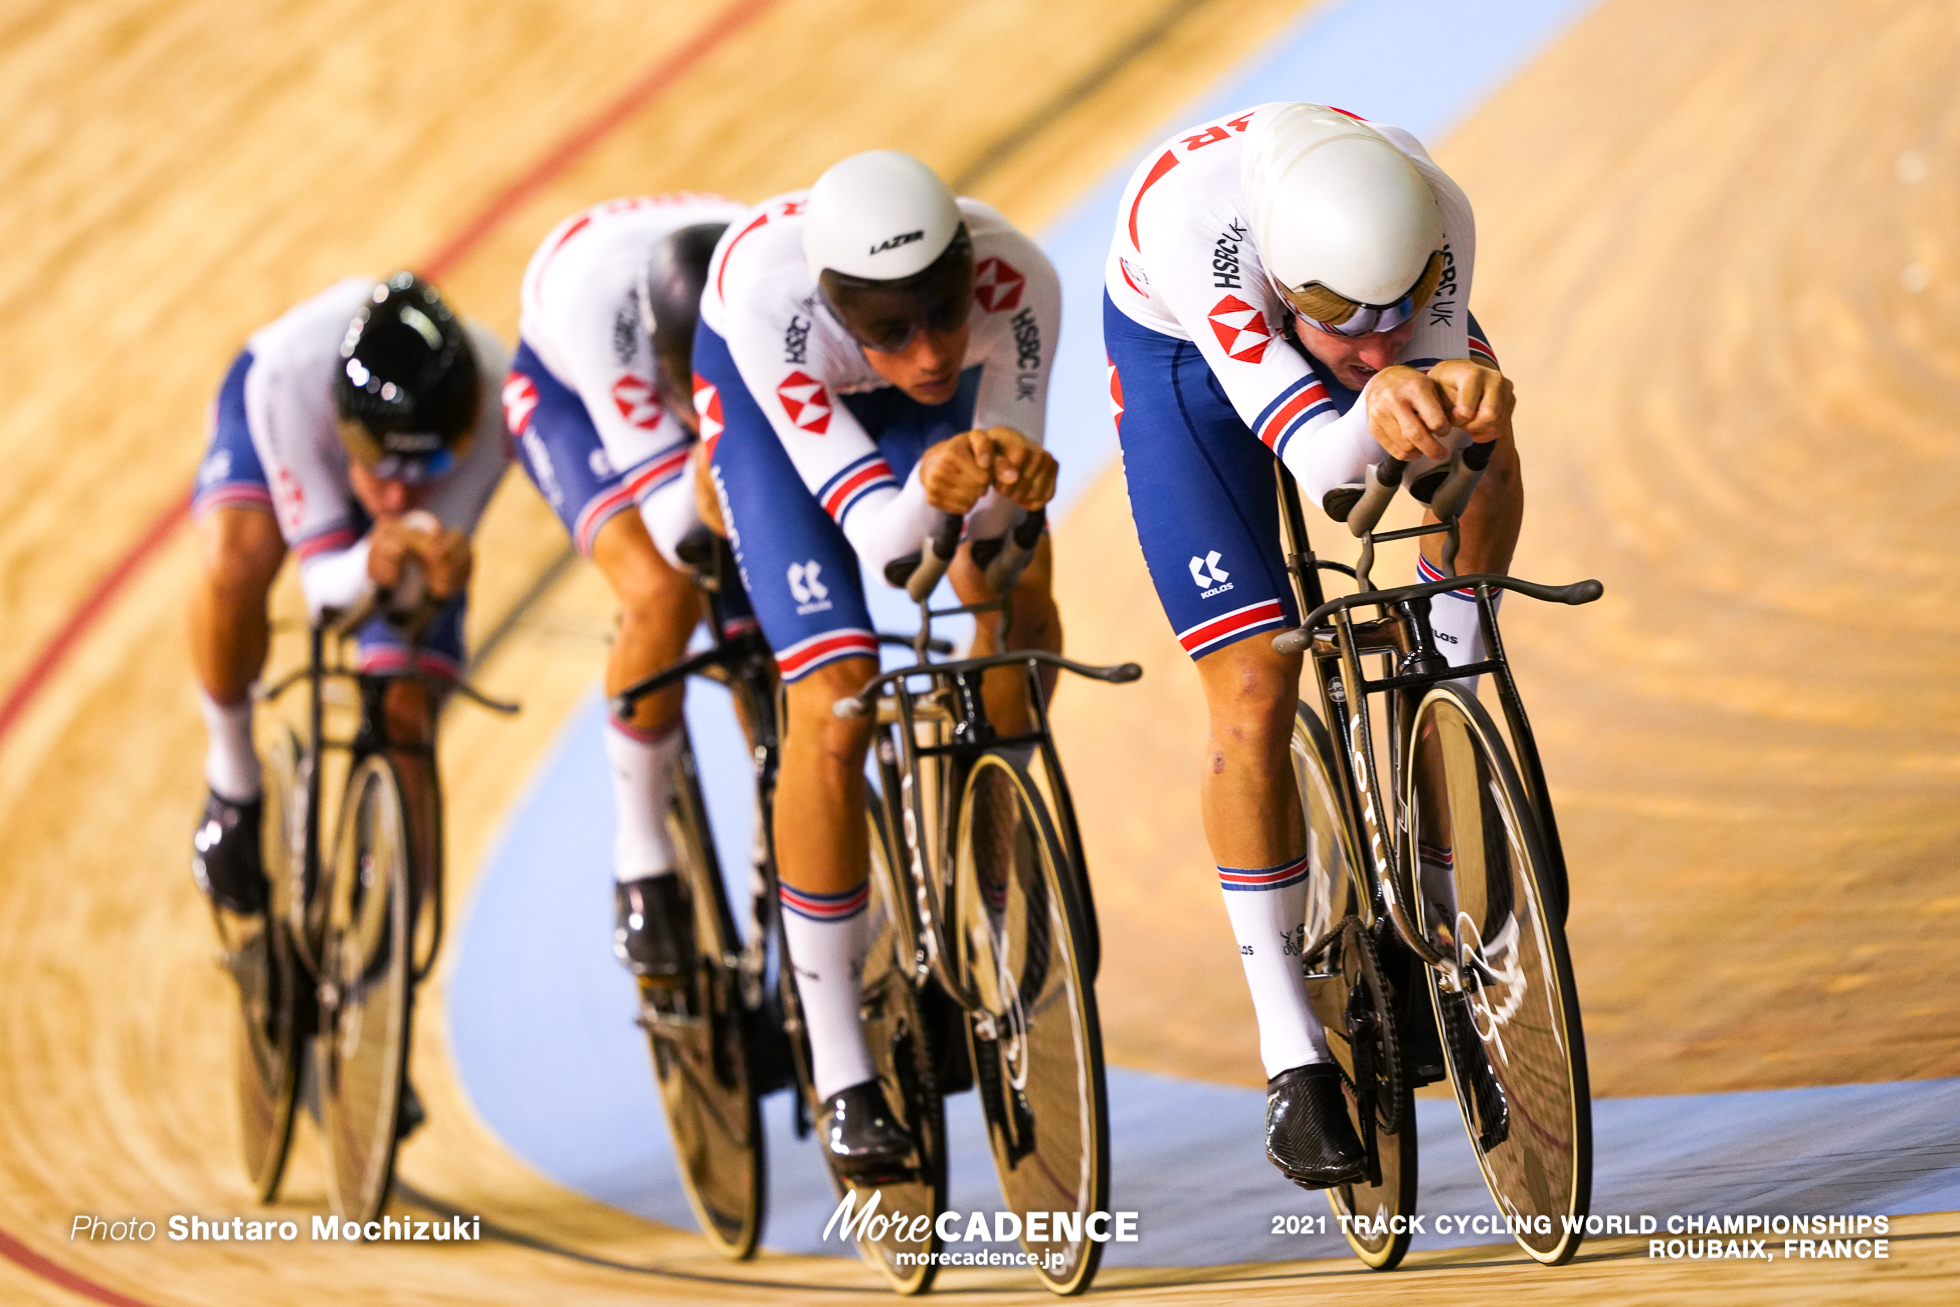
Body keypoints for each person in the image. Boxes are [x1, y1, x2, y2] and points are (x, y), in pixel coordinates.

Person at [1101, 102, 1520, 1188]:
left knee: (1476, 424)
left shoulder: (1438, 213)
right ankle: (1289, 1051)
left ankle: (1452, 658)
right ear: (1288, 290)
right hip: (1186, 363)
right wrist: (1382, 391)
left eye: (1398, 313)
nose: (1378, 341)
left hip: (1330, 299)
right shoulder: (1199, 238)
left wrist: (1449, 393)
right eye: (1344, 322)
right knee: (1252, 686)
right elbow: (1333, 475)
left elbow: (1414, 393)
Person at [695, 150, 1062, 1177]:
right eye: (891, 332)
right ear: (839, 309)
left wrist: (998, 484)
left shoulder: (1019, 278)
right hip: (779, 418)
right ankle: (843, 1065)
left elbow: (988, 530)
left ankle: (1001, 825)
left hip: (906, 442)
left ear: (966, 276)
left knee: (1019, 589)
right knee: (838, 697)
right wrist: (939, 491)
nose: (931, 351)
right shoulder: (774, 307)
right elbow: (888, 546)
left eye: (943, 314)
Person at [189, 272, 511, 916]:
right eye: (380, 470)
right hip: (277, 422)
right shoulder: (291, 378)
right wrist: (370, 557)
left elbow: (414, 594)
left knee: (407, 712)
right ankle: (233, 778)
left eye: (423, 473)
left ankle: (379, 965)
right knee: (235, 564)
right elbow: (326, 599)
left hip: (392, 444)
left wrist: (439, 577)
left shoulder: (495, 402)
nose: (396, 497)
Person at [503, 192, 753, 982]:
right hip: (570, 396)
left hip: (716, 346)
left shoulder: (767, 278)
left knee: (772, 623)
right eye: (685, 399)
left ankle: (775, 836)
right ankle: (641, 855)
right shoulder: (604, 325)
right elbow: (682, 529)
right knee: (665, 592)